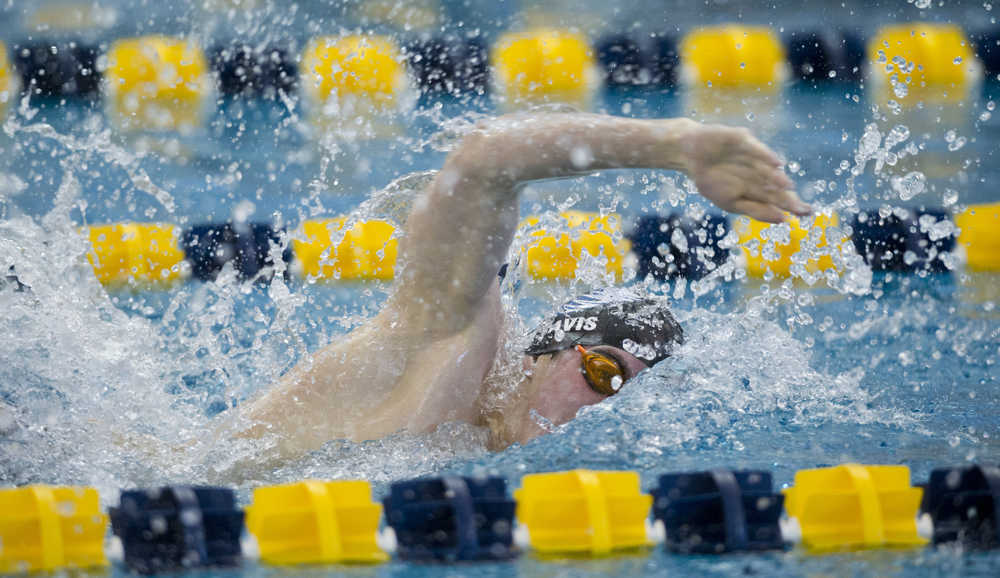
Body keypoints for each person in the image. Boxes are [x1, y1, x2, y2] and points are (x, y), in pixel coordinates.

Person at [231, 112, 810, 461]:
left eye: (628, 400)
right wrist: (673, 147)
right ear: (547, 353)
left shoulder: (492, 451)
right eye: (602, 376)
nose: (598, 415)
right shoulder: (451, 343)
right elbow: (485, 159)